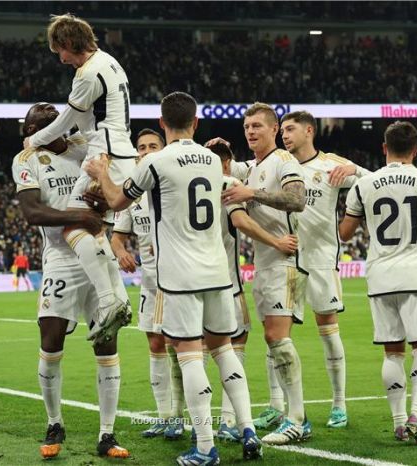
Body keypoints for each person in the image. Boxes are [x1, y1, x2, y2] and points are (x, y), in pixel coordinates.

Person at [86, 92, 263, 465]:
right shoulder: (214, 161)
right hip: (218, 271)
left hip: (180, 276)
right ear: (196, 123)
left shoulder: (156, 162)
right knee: (224, 349)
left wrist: (101, 173)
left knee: (189, 354)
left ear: (162, 124)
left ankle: (205, 447)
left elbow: (117, 201)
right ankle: (248, 430)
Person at [13, 102, 130, 460]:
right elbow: (32, 211)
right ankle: (54, 423)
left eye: (55, 115)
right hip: (61, 259)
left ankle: (107, 433)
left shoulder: (86, 146)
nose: (51, 116)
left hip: (97, 249)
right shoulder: (27, 159)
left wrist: (103, 199)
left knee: (107, 343)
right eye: (41, 118)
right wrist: (77, 216)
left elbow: (115, 185)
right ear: (31, 130)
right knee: (50, 343)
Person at [22, 13, 136, 345]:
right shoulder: (110, 62)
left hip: (104, 158)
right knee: (95, 232)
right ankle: (119, 300)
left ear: (71, 43)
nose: (61, 58)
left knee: (73, 227)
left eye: (60, 50)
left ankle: (110, 300)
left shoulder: (86, 74)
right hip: (119, 153)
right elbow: (84, 119)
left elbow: (65, 121)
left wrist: (34, 140)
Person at [339, 121, 417, 446]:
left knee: (392, 352)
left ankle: (399, 423)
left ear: (384, 148)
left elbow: (345, 233)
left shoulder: (365, 184)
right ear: (416, 150)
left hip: (380, 276)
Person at [219, 103, 309, 445]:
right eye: (247, 127)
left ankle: (297, 420)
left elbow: (297, 200)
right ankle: (287, 413)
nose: (251, 131)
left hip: (285, 260)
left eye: (257, 125)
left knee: (277, 338)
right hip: (265, 263)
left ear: (274, 129)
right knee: (273, 340)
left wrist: (251, 193)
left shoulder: (284, 161)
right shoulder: (253, 168)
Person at [279, 110, 373, 428]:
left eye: (290, 129)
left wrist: (356, 169)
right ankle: (277, 405)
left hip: (321, 259)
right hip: (288, 260)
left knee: (328, 330)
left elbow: (375, 182)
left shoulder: (331, 164)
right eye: (282, 130)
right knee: (278, 334)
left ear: (309, 131)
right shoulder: (280, 163)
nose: (284, 135)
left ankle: (339, 405)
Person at [110, 128, 175, 437]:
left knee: (181, 346)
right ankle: (165, 416)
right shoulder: (133, 195)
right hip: (150, 280)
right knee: (155, 342)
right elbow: (117, 237)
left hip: (179, 278)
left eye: (153, 146)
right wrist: (121, 252)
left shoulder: (175, 185)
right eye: (142, 147)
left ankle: (185, 416)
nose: (146, 151)